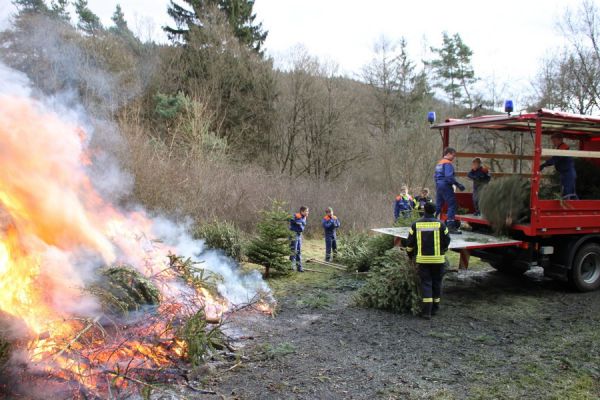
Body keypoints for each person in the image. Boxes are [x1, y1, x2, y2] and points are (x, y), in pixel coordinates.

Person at [406, 202, 451, 319]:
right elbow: (447, 240)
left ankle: (427, 312)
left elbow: (409, 243)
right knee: (437, 283)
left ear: (424, 210)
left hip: (423, 261)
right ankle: (435, 308)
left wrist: (410, 255)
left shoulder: (415, 225)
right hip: (438, 260)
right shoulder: (441, 225)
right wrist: (443, 249)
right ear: (435, 211)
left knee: (426, 284)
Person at [434, 147, 465, 233]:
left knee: (438, 205)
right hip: (446, 185)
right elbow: (449, 177)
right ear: (448, 154)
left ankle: (430, 221)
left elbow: (435, 176)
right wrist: (458, 185)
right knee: (452, 205)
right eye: (453, 155)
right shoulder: (447, 163)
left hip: (438, 185)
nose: (454, 157)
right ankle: (450, 226)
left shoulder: (439, 163)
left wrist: (438, 185)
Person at [540, 133, 578, 199]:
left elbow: (555, 159)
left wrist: (543, 165)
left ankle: (571, 207)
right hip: (565, 173)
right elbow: (555, 158)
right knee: (568, 192)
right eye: (553, 141)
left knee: (568, 193)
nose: (553, 143)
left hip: (568, 174)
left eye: (554, 141)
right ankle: (572, 206)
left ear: (560, 140)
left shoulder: (563, 148)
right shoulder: (560, 147)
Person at [289, 206, 309, 272]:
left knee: (298, 251)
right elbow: (290, 219)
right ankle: (292, 267)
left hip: (299, 234)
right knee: (293, 251)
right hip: (293, 234)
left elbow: (302, 224)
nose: (307, 212)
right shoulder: (296, 215)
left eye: (307, 211)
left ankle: (299, 267)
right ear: (302, 211)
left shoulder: (304, 217)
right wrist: (296, 221)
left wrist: (299, 222)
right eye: (306, 211)